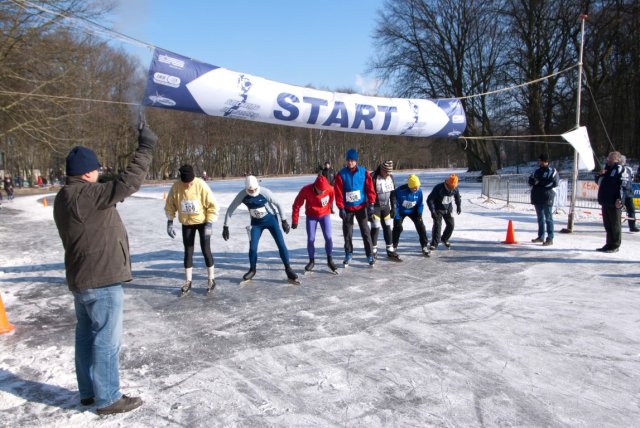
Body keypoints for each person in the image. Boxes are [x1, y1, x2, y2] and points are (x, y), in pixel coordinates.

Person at [53, 123, 157, 415]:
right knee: (106, 340)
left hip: (82, 279)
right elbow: (128, 184)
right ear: (87, 174)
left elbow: (113, 187)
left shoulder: (65, 197)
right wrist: (145, 148)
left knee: (86, 336)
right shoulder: (86, 195)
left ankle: (89, 392)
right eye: (96, 169)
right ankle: (108, 398)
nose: (99, 172)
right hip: (101, 280)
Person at [222, 175, 299, 283]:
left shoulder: (264, 192)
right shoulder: (242, 195)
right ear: (246, 188)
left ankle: (288, 269)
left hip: (271, 220)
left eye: (254, 189)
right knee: (253, 247)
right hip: (256, 224)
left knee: (281, 244)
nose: (252, 191)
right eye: (250, 190)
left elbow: (279, 204)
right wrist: (226, 226)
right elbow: (230, 209)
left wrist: (284, 220)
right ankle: (252, 269)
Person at [165, 164, 220, 295]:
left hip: (203, 223)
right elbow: (170, 205)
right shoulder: (176, 187)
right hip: (187, 224)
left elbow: (213, 205)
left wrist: (210, 223)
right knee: (188, 252)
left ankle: (211, 279)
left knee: (206, 250)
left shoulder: (200, 184)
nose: (188, 185)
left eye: (190, 182)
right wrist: (170, 221)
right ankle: (188, 281)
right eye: (185, 183)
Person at [334, 148, 376, 266]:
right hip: (347, 209)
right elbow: (338, 192)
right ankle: (348, 253)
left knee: (365, 231)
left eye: (352, 160)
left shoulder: (363, 172)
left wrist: (371, 203)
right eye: (348, 160)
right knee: (347, 233)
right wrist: (341, 208)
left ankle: (370, 255)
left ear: (356, 161)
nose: (350, 162)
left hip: (361, 207)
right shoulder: (341, 174)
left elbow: (370, 189)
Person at [291, 175, 337, 273]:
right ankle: (311, 261)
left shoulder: (329, 189)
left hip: (325, 215)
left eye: (324, 190)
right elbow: (296, 205)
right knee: (311, 239)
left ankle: (330, 259)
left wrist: (328, 208)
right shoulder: (306, 190)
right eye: (321, 190)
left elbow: (331, 198)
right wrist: (295, 220)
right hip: (311, 216)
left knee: (328, 237)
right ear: (315, 186)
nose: (323, 192)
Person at [594, 151, 627, 253]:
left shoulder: (620, 169)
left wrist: (620, 200)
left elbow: (623, 185)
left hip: (615, 202)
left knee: (615, 225)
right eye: (608, 157)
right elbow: (599, 182)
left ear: (616, 159)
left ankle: (615, 245)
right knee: (607, 225)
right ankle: (608, 244)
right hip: (605, 201)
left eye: (610, 158)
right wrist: (600, 175)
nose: (608, 159)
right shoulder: (607, 169)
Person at [392, 174, 431, 257]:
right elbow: (395, 204)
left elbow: (420, 204)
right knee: (397, 228)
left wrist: (419, 213)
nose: (416, 189)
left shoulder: (419, 191)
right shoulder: (400, 191)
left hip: (413, 211)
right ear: (409, 186)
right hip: (400, 211)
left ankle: (424, 246)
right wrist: (396, 215)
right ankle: (393, 247)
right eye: (414, 187)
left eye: (417, 186)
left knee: (421, 226)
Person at [528, 154, 559, 246]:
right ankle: (541, 236)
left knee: (548, 218)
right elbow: (530, 180)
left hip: (547, 197)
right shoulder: (536, 171)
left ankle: (550, 238)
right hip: (537, 197)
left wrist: (539, 183)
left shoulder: (552, 171)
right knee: (540, 218)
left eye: (540, 161)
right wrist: (535, 182)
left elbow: (553, 183)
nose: (539, 162)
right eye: (538, 161)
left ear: (545, 161)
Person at [370, 160, 399, 260]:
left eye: (389, 173)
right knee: (376, 226)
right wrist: (369, 208)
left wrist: (394, 207)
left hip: (386, 206)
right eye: (386, 172)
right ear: (382, 169)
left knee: (387, 226)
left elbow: (393, 193)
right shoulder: (373, 177)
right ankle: (373, 250)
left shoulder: (390, 177)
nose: (388, 175)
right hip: (376, 207)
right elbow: (367, 194)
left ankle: (390, 249)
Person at [427, 174, 462, 249]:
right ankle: (434, 244)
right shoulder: (438, 188)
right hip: (438, 209)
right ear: (447, 184)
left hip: (448, 209)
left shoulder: (455, 188)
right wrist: (432, 211)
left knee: (451, 225)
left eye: (454, 187)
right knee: (437, 226)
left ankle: (444, 239)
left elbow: (457, 197)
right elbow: (430, 200)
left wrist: (458, 206)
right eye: (451, 187)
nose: (453, 189)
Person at [620, 155, 639, 232]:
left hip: (629, 191)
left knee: (631, 209)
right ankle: (616, 226)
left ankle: (632, 226)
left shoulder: (629, 169)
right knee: (619, 209)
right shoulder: (617, 168)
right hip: (620, 191)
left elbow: (632, 177)